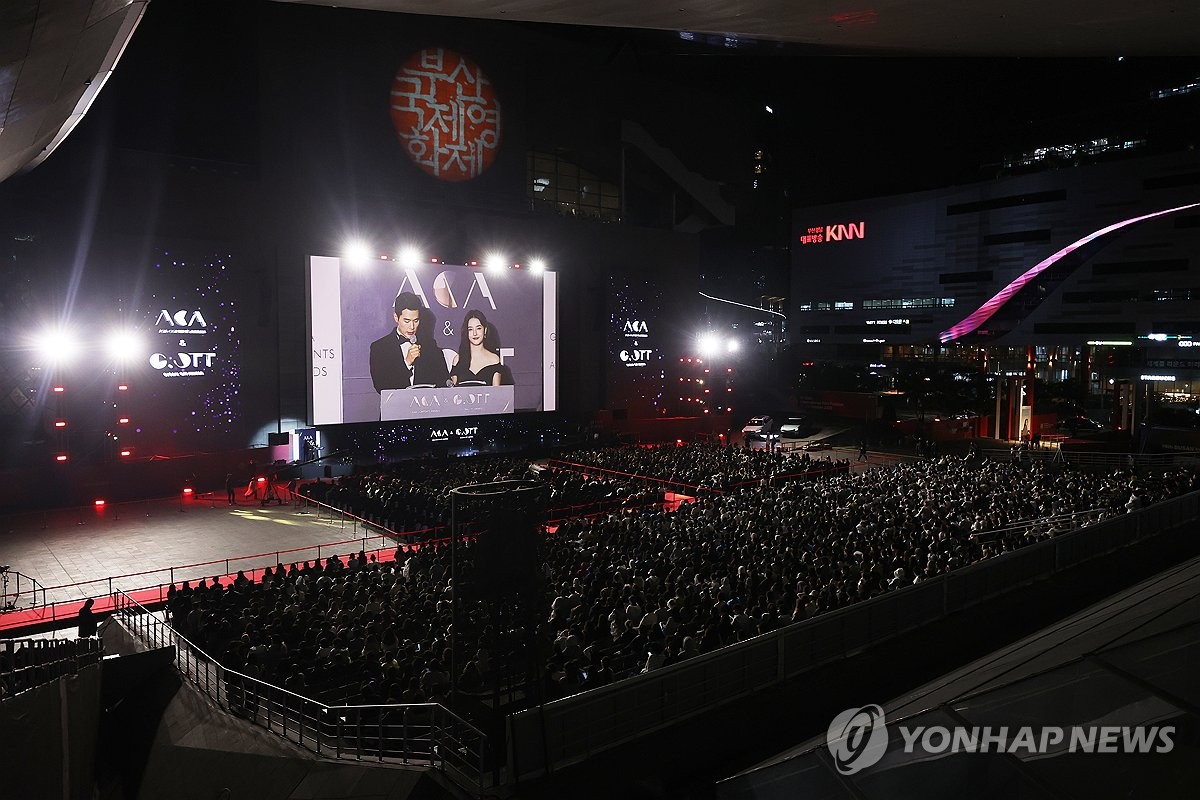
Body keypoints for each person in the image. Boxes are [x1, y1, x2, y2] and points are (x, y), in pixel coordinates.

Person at [369, 291, 451, 390]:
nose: (412, 327)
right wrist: (407, 362)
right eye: (407, 321)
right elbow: (381, 386)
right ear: (396, 317)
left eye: (416, 321)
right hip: (397, 405)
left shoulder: (430, 346)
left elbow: (443, 380)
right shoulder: (380, 348)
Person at [449, 309, 513, 386]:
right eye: (470, 329)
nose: (475, 333)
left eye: (478, 328)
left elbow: (496, 394)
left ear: (485, 330)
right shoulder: (458, 359)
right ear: (467, 332)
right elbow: (452, 394)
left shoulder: (494, 359)